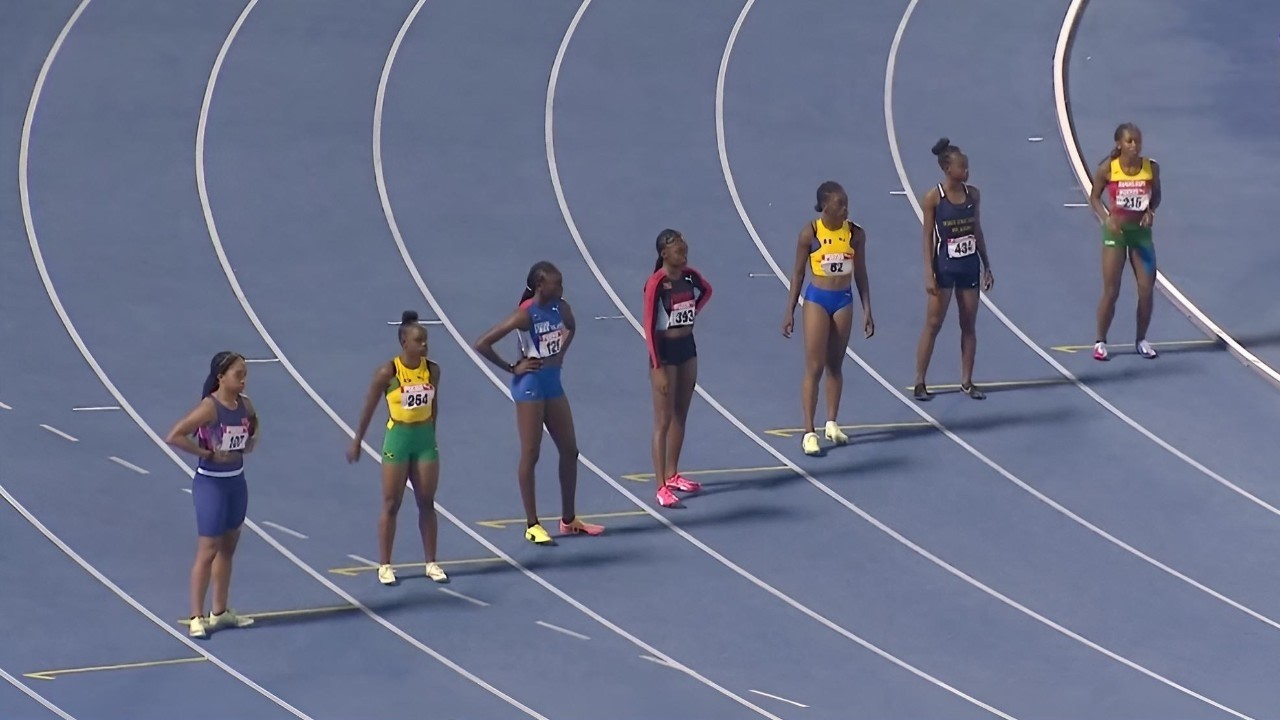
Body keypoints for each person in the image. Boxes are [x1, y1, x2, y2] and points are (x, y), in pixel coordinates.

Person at [474, 262, 603, 544]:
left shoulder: (562, 308)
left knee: (570, 450)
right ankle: (532, 524)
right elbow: (482, 343)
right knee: (531, 453)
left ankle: (568, 520)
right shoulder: (525, 315)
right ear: (540, 286)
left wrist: (560, 357)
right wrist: (512, 367)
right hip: (530, 387)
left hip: (553, 383)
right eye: (556, 284)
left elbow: (572, 327)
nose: (562, 288)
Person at [348, 311, 448, 586]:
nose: (425, 346)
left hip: (425, 440)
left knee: (427, 502)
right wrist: (358, 441)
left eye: (426, 341)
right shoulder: (388, 372)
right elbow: (369, 407)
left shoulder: (433, 370)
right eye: (419, 341)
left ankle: (431, 562)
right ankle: (385, 565)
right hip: (398, 440)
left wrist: (433, 434)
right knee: (392, 503)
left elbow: (434, 404)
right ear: (405, 343)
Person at [165, 351, 259, 639]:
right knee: (207, 551)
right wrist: (205, 452)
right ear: (221, 377)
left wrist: (250, 442)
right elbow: (175, 435)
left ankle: (219, 611)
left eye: (245, 374)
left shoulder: (245, 404)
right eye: (238, 374)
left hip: (236, 482)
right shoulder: (210, 408)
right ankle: (196, 615)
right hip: (212, 485)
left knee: (228, 548)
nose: (244, 380)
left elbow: (253, 424)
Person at [782, 181, 874, 456]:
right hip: (817, 300)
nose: (845, 209)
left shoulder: (855, 234)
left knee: (836, 364)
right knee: (814, 366)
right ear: (824, 206)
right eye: (839, 205)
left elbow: (861, 273)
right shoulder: (809, 234)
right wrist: (790, 311)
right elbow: (798, 273)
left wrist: (867, 308)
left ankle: (831, 422)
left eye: (846, 204)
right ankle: (809, 431)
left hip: (844, 300)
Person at [913, 138, 994, 400]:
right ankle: (920, 381)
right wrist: (928, 272)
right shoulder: (934, 197)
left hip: (969, 266)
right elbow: (927, 236)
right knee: (934, 323)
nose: (967, 172)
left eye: (967, 167)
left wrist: (987, 265)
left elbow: (977, 230)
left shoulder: (974, 195)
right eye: (962, 167)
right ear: (948, 169)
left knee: (968, 324)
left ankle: (967, 381)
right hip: (945, 267)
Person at [642, 229, 712, 508]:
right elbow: (648, 326)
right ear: (664, 254)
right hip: (665, 353)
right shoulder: (656, 283)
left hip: (688, 349)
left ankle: (672, 473)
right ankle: (660, 486)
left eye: (685, 249)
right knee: (663, 420)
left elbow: (707, 291)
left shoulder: (690, 276)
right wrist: (657, 366)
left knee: (681, 413)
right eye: (678, 250)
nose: (684, 254)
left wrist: (692, 312)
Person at [1088, 122, 1161, 361]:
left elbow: (1156, 197)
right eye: (1130, 141)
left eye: (1137, 141)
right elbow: (1095, 198)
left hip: (1140, 235)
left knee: (1146, 290)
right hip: (1116, 235)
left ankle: (1141, 339)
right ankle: (1100, 342)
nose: (1134, 145)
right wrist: (1107, 218)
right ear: (1119, 144)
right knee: (1112, 291)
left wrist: (1151, 211)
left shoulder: (1150, 168)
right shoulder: (1107, 168)